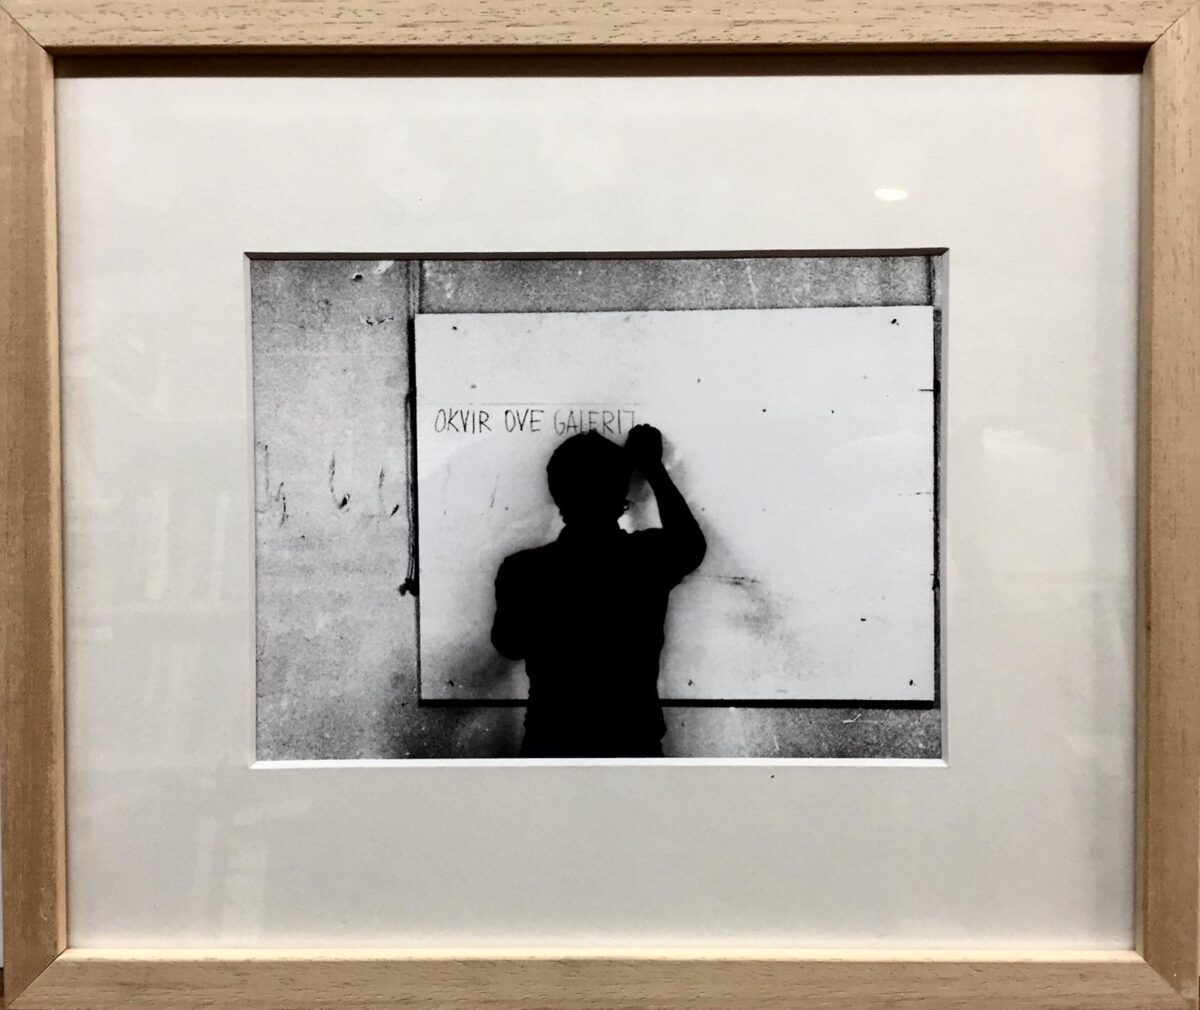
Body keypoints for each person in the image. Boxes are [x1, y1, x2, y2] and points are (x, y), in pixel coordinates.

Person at [491, 424, 706, 757]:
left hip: (551, 743)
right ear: (622, 493)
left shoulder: (523, 570)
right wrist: (653, 468)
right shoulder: (645, 559)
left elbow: (509, 645)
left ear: (557, 493)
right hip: (632, 743)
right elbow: (690, 544)